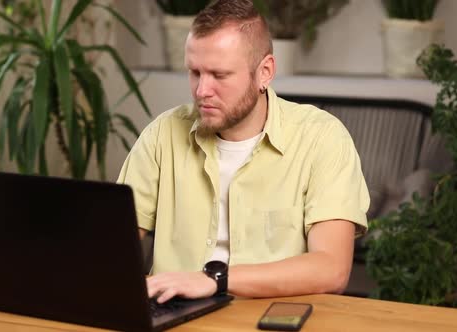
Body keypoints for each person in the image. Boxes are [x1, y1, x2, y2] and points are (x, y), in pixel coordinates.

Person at [117, 0, 369, 304]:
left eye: (219, 75)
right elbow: (111, 245)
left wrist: (214, 280)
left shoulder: (322, 138)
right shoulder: (163, 134)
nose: (201, 91)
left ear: (264, 72)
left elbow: (331, 269)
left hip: (268, 318)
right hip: (173, 317)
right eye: (194, 72)